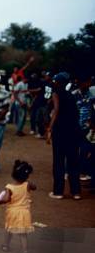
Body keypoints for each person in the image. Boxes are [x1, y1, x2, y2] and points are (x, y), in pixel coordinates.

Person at [47, 72, 82, 200]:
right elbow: (76, 114)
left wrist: (50, 129)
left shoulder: (56, 94)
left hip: (60, 131)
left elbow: (56, 111)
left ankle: (58, 191)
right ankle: (76, 192)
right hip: (73, 131)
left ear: (58, 82)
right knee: (73, 162)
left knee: (59, 162)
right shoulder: (71, 96)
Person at [0, 160, 35, 253]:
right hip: (25, 212)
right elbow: (34, 187)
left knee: (9, 228)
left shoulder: (9, 187)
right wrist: (29, 182)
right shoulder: (27, 185)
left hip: (13, 212)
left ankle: (6, 245)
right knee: (23, 234)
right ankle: (25, 251)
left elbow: (6, 199)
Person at [74, 74, 94, 182]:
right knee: (74, 149)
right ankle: (71, 171)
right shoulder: (74, 95)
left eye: (89, 82)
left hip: (88, 126)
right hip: (75, 126)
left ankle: (83, 171)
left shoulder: (92, 94)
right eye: (86, 82)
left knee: (86, 150)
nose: (88, 84)